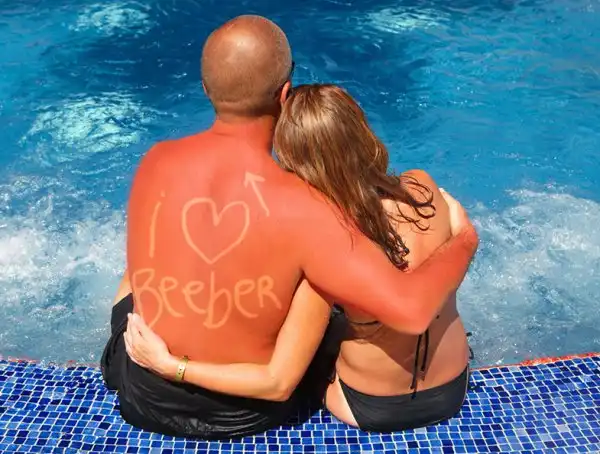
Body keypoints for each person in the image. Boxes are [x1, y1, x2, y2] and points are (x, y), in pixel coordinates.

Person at [101, 15, 478, 440]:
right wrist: (465, 241)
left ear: (206, 89)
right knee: (307, 278)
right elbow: (411, 312)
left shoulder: (156, 162)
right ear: (285, 93)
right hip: (248, 411)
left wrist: (170, 362)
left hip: (143, 388)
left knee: (140, 267)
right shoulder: (313, 208)